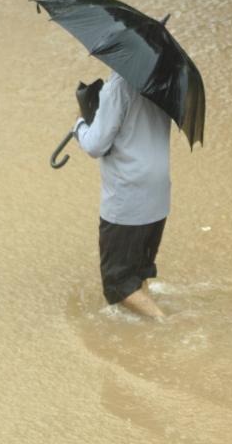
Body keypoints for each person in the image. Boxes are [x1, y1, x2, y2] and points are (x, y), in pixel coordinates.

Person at [72, 71, 171, 318]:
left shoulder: (117, 86)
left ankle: (165, 324)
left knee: (118, 286)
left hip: (127, 198)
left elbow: (95, 145)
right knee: (137, 274)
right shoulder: (164, 78)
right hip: (158, 194)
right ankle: (147, 329)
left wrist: (79, 125)